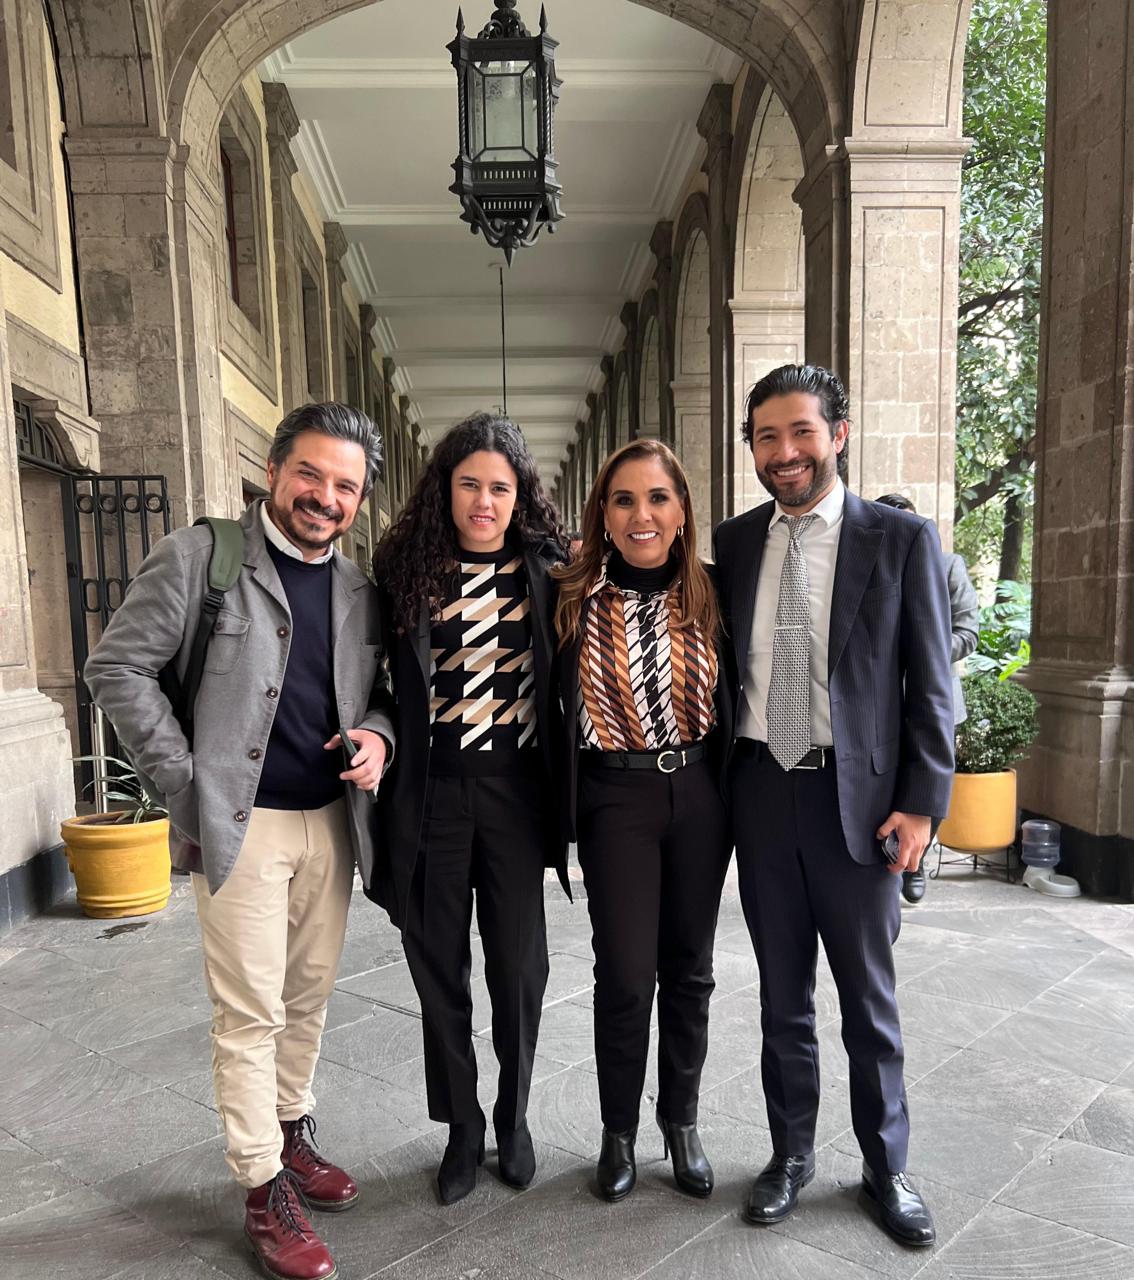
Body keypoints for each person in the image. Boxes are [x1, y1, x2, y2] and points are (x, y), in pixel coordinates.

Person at [85, 403, 394, 1280]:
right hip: (240, 824)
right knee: (250, 1011)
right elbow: (117, 665)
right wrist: (185, 782)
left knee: (308, 996)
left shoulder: (359, 589)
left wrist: (379, 735)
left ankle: (291, 1131)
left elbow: (380, 693)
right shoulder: (201, 558)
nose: (324, 497)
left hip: (331, 821)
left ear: (360, 500)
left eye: (345, 486)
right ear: (273, 470)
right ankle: (263, 1188)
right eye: (311, 475)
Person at [713, 365, 954, 1248]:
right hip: (760, 790)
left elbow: (932, 684)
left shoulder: (901, 539)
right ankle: (790, 1156)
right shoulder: (736, 543)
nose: (784, 453)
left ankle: (887, 1167)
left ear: (838, 434)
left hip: (859, 804)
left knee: (868, 1002)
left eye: (801, 432)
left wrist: (922, 806)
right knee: (782, 997)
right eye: (766, 438)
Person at [369, 413, 570, 1205]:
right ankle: (462, 1125)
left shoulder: (550, 570)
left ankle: (513, 1119)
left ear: (520, 496)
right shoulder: (404, 571)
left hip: (517, 794)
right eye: (469, 485)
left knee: (519, 968)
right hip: (431, 795)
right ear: (444, 489)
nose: (484, 501)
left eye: (499, 487)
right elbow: (376, 679)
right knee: (438, 969)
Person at [552, 439, 732, 1204]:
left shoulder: (716, 593)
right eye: (622, 500)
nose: (641, 515)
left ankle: (680, 1122)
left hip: (699, 792)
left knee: (690, 969)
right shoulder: (571, 599)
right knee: (626, 975)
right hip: (614, 796)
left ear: (682, 509)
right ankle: (618, 1130)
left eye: (658, 497)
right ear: (602, 514)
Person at [875, 492, 979, 903]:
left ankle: (917, 863)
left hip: (934, 698)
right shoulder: (871, 567)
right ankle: (893, 855)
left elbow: (967, 632)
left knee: (928, 776)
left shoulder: (948, 565)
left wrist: (922, 649)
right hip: (884, 703)